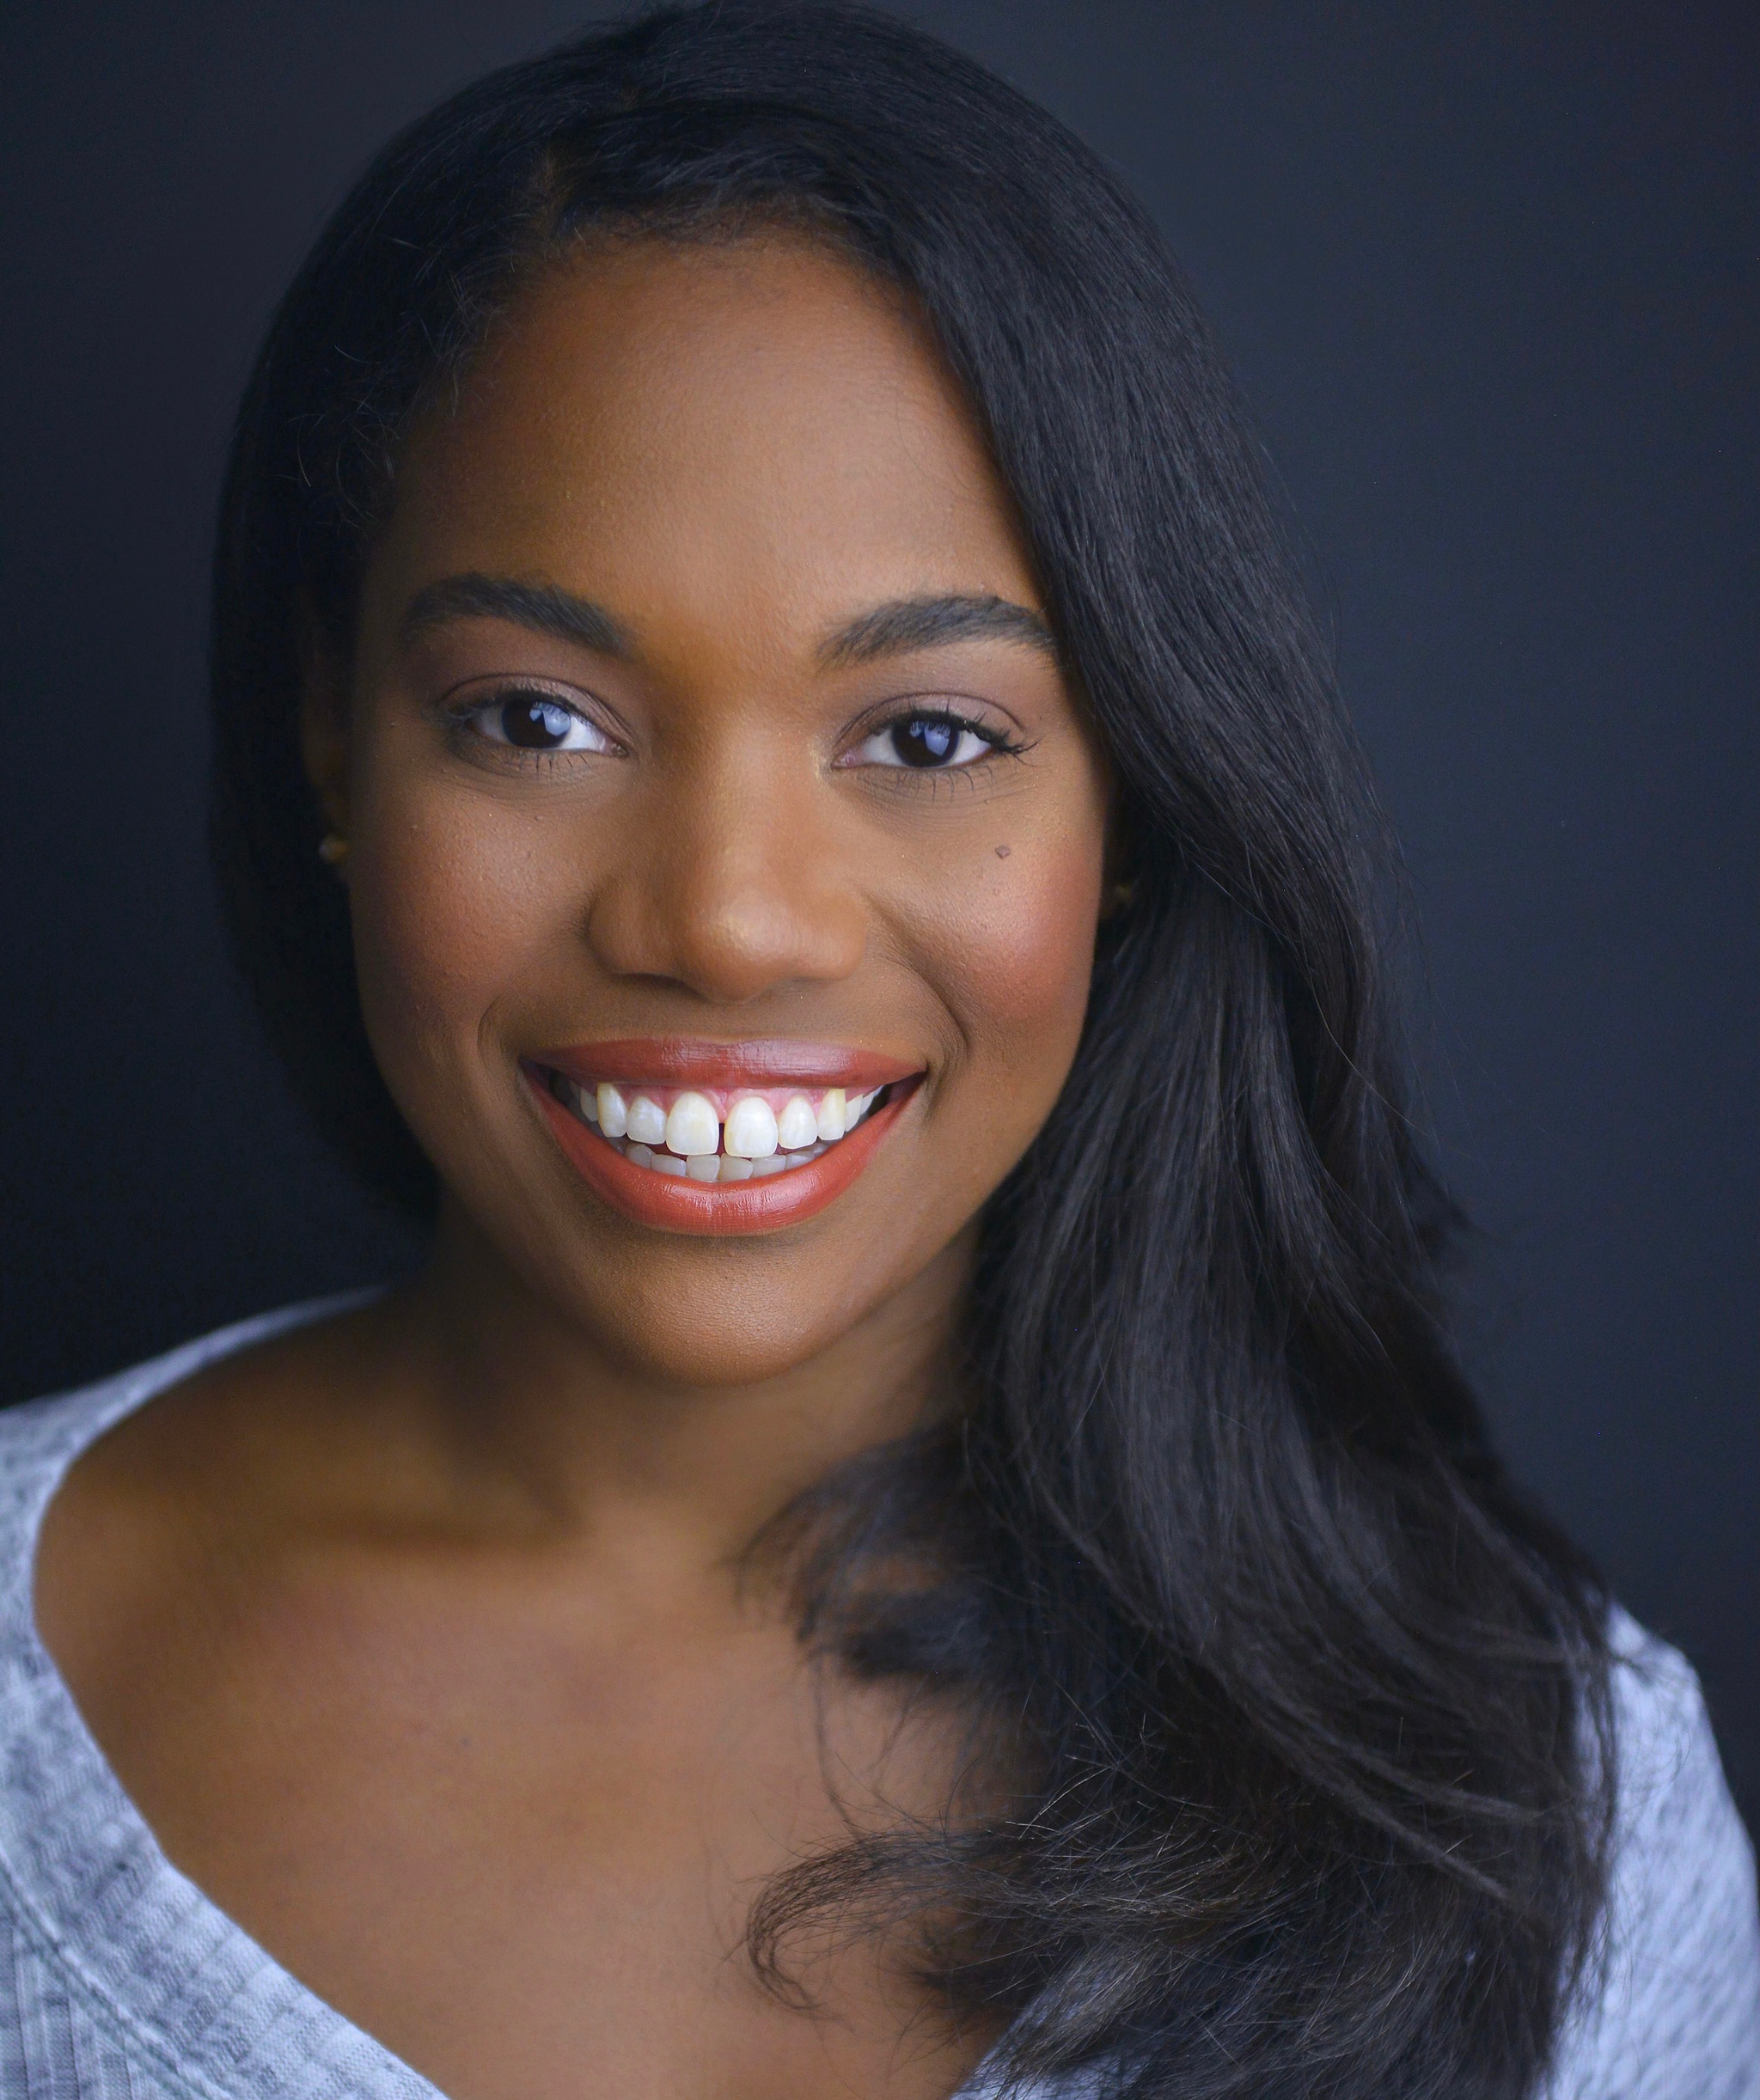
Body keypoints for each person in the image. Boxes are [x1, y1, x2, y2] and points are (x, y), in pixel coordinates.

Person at [2, 5, 1753, 2096]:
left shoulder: (1553, 1810)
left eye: (928, 738)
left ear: (1135, 810)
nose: (729, 919)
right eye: (536, 717)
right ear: (328, 733)